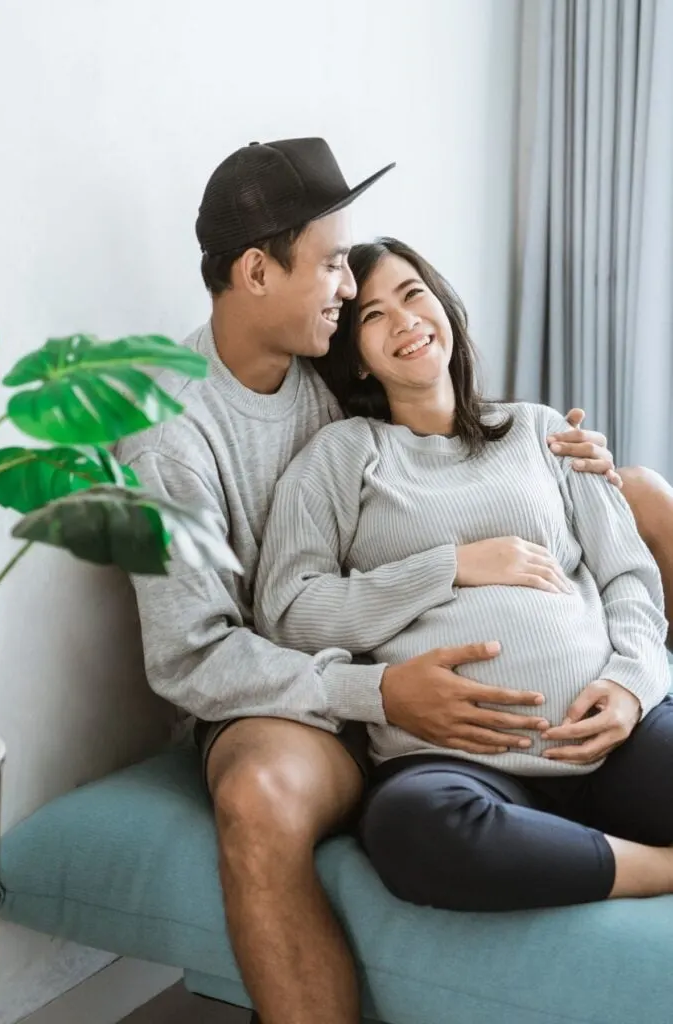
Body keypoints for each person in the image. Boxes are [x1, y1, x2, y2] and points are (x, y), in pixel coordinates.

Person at [116, 139, 673, 1024]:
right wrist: (384, 692)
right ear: (257, 272)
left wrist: (583, 468)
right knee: (276, 800)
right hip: (294, 693)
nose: (350, 291)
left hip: (531, 703)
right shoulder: (176, 436)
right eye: (336, 267)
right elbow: (197, 654)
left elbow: (455, 421)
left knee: (643, 494)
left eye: (386, 290)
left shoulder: (330, 363)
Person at [254, 236, 673, 919]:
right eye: (373, 316)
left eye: (413, 294)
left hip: (611, 740)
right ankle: (654, 868)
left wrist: (629, 687)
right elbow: (289, 609)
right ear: (355, 359)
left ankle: (562, 849)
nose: (404, 321)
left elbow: (628, 576)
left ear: (444, 307)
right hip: (451, 764)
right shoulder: (342, 455)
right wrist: (450, 566)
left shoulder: (541, 431)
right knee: (409, 830)